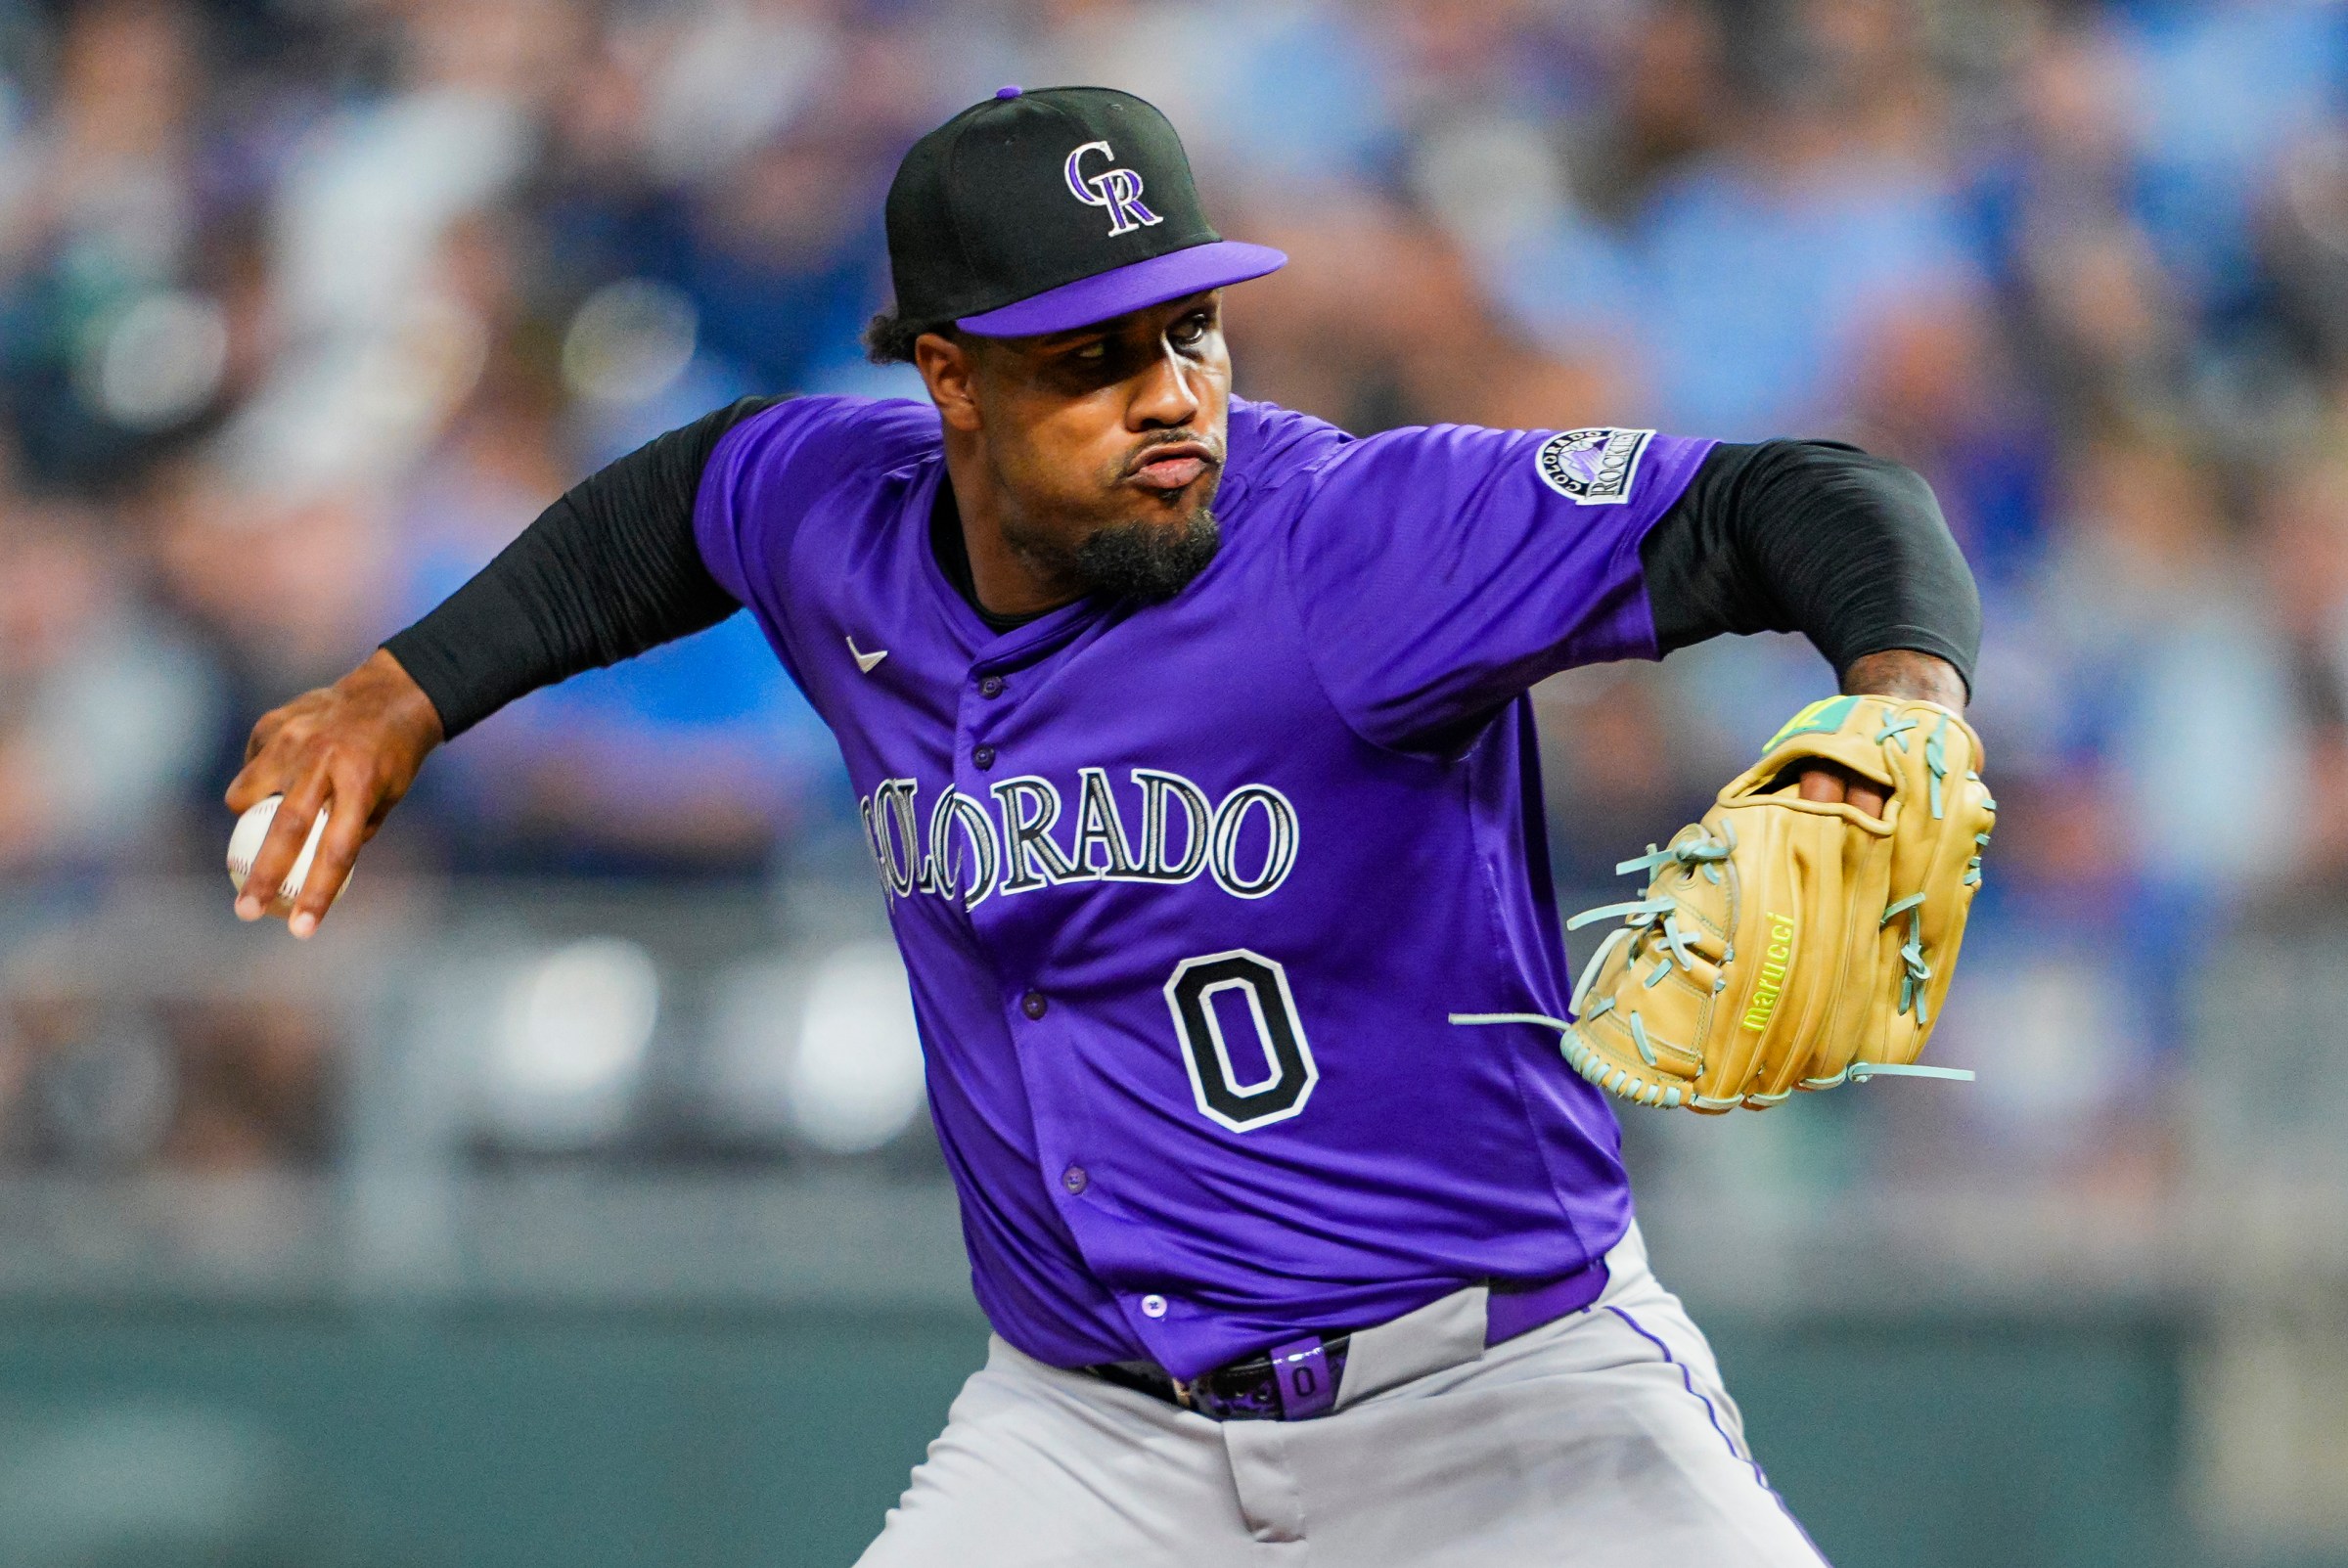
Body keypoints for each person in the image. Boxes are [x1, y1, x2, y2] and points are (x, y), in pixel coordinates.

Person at [229, 87, 1977, 1565]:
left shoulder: (1361, 544)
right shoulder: (837, 512)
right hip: (1084, 1445)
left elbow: (1805, 497)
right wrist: (408, 687)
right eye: (1094, 360)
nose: (1173, 396)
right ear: (951, 382)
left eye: (1192, 330)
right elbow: (682, 508)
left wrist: (1905, 692)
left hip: (1501, 1405)